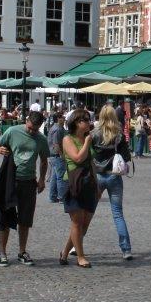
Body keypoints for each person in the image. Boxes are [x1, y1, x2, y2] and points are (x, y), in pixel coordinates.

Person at [0, 110, 48, 267]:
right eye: (29, 128)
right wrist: (0, 150)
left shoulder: (41, 139)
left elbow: (44, 161)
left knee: (25, 218)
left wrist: (42, 179)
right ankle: (2, 253)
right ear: (26, 120)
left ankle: (22, 251)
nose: (31, 131)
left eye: (35, 129)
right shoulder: (12, 131)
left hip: (29, 182)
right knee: (4, 216)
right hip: (10, 180)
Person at [90, 104, 134, 260]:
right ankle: (126, 249)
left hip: (98, 175)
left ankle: (76, 245)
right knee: (117, 214)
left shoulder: (94, 134)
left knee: (88, 212)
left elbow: (87, 153)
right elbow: (126, 156)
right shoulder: (118, 134)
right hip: (114, 175)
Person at [59, 110, 98, 267]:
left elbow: (91, 162)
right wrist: (87, 143)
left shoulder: (87, 138)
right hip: (73, 183)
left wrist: (97, 185)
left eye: (89, 120)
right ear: (76, 122)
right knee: (77, 222)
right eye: (85, 120)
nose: (89, 122)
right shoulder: (68, 139)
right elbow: (77, 157)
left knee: (84, 224)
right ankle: (80, 257)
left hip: (89, 183)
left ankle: (64, 253)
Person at [46, 108, 68, 204]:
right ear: (58, 118)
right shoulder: (57, 129)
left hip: (53, 156)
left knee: (55, 177)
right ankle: (61, 197)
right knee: (61, 176)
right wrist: (61, 155)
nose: (64, 119)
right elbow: (56, 144)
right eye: (63, 117)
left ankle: (53, 196)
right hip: (56, 155)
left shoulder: (56, 127)